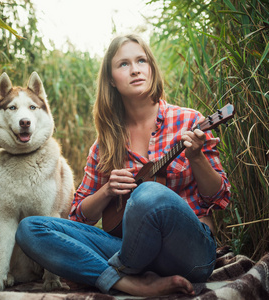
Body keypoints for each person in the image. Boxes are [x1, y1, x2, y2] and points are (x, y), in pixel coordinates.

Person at [15, 34, 231, 297]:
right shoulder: (104, 144)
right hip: (127, 244)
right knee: (30, 228)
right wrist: (107, 191)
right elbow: (79, 216)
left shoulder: (189, 120)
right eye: (124, 64)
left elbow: (218, 196)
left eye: (141, 61)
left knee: (148, 194)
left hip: (188, 252)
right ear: (111, 80)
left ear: (151, 67)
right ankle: (129, 283)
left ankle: (116, 271)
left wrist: (196, 157)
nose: (136, 69)